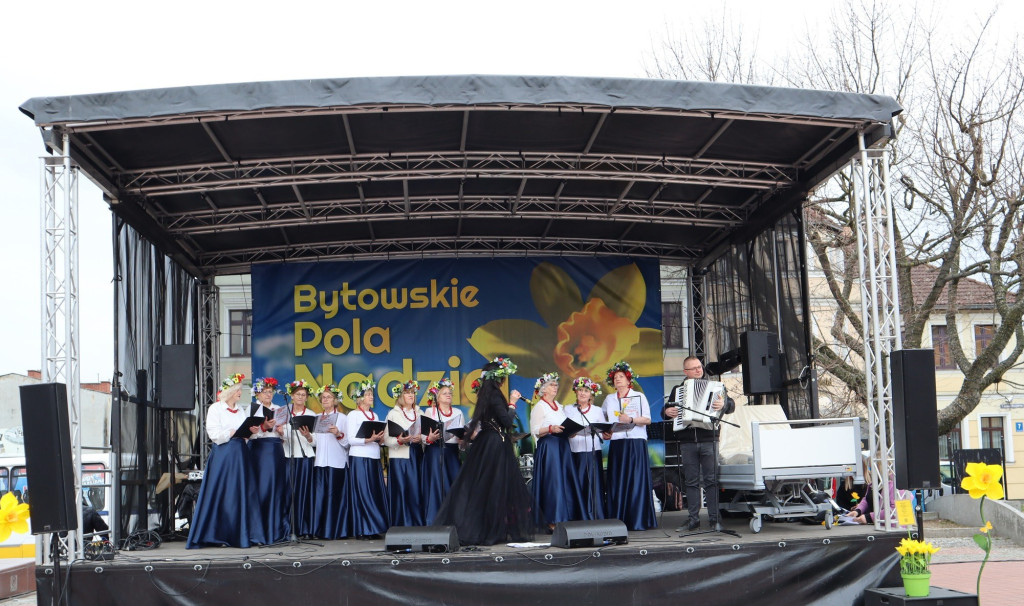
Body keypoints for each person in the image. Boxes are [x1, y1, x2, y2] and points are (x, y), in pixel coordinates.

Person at [432, 357, 534, 545]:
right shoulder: (494, 395)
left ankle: (491, 530)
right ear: (498, 378)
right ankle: (489, 532)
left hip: (490, 443)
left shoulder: (487, 394)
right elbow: (506, 421)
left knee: (490, 488)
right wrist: (512, 403)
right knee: (494, 488)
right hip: (494, 444)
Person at [187, 374, 266, 548]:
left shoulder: (241, 410)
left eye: (240, 390)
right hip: (224, 455)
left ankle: (245, 534)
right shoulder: (216, 408)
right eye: (238, 390)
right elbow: (213, 434)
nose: (240, 393)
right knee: (224, 493)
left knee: (242, 492)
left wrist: (252, 431)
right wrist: (231, 432)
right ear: (229, 391)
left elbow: (246, 434)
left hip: (240, 454)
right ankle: (220, 534)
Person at [663, 356, 735, 531]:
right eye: (693, 368)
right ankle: (693, 519)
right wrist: (667, 411)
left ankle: (715, 520)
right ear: (685, 372)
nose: (698, 370)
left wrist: (724, 403)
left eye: (699, 367)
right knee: (691, 481)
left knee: (711, 481)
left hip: (709, 438)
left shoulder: (715, 387)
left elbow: (731, 406)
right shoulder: (678, 390)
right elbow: (665, 410)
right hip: (687, 441)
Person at [601, 361, 657, 531]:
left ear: (628, 380)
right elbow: (603, 419)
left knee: (636, 480)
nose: (618, 380)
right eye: (615, 378)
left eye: (621, 377)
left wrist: (631, 419)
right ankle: (618, 519)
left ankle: (638, 519)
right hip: (618, 443)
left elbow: (647, 419)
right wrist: (605, 432)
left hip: (635, 442)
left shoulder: (638, 396)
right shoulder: (609, 399)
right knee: (618, 480)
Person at [529, 372, 585, 529]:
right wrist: (550, 428)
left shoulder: (559, 406)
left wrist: (570, 431)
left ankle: (565, 516)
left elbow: (563, 425)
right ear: (544, 389)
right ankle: (552, 519)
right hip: (550, 447)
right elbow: (535, 430)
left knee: (564, 480)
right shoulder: (539, 407)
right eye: (552, 385)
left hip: (562, 446)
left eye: (556, 385)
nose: (556, 387)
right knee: (553, 482)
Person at [344, 377, 390, 539]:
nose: (372, 397)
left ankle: (374, 527)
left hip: (373, 457)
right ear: (360, 397)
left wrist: (380, 439)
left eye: (372, 394)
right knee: (363, 493)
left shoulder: (374, 414)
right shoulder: (353, 415)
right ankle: (363, 529)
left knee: (374, 492)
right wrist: (368, 439)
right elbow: (350, 440)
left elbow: (377, 438)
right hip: (359, 458)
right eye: (368, 394)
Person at [248, 376, 288, 543]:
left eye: (270, 392)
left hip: (276, 449)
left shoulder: (278, 408)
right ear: (258, 394)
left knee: (276, 487)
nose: (268, 395)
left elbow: (285, 432)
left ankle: (276, 530)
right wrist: (263, 427)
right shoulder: (252, 409)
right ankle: (259, 531)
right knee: (262, 487)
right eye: (265, 392)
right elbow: (248, 433)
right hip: (260, 449)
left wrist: (281, 431)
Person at [277, 380, 317, 537]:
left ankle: (304, 528)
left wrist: (308, 436)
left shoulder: (311, 415)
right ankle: (288, 529)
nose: (300, 397)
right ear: (292, 396)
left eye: (303, 395)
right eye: (297, 394)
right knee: (289, 493)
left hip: (305, 457)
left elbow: (315, 441)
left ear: (306, 397)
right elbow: (280, 437)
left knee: (304, 493)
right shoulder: (284, 412)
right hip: (289, 457)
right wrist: (281, 433)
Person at [564, 377, 608, 520]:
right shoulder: (568, 409)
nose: (583, 393)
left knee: (593, 484)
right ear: (576, 392)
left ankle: (595, 514)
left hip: (593, 451)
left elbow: (603, 430)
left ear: (591, 395)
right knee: (577, 483)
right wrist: (569, 433)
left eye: (586, 391)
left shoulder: (597, 410)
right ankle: (577, 515)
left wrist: (607, 433)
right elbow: (564, 429)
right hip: (574, 451)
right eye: (580, 390)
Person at [384, 380, 426, 526]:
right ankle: (401, 524)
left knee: (416, 489)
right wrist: (399, 440)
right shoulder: (393, 414)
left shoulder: (420, 413)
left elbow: (426, 435)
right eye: (407, 393)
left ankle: (418, 523)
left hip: (417, 454)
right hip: (400, 457)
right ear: (401, 396)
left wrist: (421, 438)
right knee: (402, 490)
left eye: (412, 393)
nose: (411, 395)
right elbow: (386, 439)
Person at [420, 377, 460, 524]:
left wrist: (462, 440)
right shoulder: (430, 411)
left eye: (450, 393)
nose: (448, 395)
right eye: (444, 393)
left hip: (452, 453)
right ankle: (435, 519)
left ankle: (454, 519)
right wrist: (429, 437)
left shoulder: (458, 412)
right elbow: (423, 436)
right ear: (437, 397)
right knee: (436, 485)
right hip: (435, 452)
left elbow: (460, 438)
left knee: (454, 484)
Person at [311, 384, 349, 539]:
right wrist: (308, 436)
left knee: (335, 497)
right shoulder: (317, 418)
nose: (325, 400)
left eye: (329, 397)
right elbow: (315, 442)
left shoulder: (342, 418)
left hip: (336, 462)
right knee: (320, 497)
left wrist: (338, 433)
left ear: (335, 400)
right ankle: (320, 530)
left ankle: (335, 531)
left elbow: (347, 443)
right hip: (320, 462)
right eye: (323, 397)